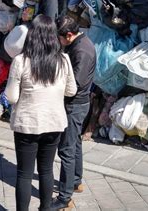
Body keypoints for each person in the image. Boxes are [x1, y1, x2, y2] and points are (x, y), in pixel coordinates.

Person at [4, 15, 77, 211]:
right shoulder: (64, 60)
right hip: (53, 122)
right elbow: (71, 91)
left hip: (27, 123)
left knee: (24, 174)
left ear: (32, 36)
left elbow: (11, 97)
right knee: (46, 170)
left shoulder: (20, 61)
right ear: (54, 36)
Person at [51, 15, 96, 210]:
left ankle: (64, 198)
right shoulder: (79, 44)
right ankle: (75, 182)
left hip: (75, 105)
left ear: (69, 35)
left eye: (60, 38)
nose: (59, 42)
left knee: (66, 150)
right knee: (74, 144)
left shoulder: (82, 51)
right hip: (77, 104)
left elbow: (74, 85)